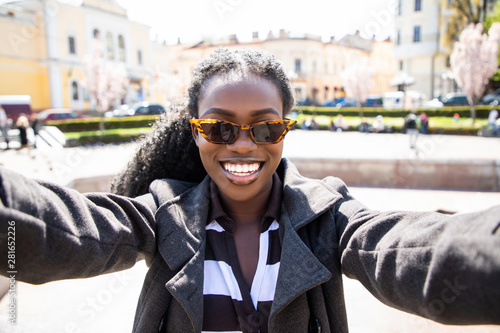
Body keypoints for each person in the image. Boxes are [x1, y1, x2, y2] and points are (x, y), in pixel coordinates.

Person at [1, 48, 499, 333]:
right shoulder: (162, 213)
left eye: (265, 130)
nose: (242, 147)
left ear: (286, 129)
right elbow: (67, 229)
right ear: (195, 130)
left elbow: (408, 249)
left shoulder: (328, 217)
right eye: (219, 128)